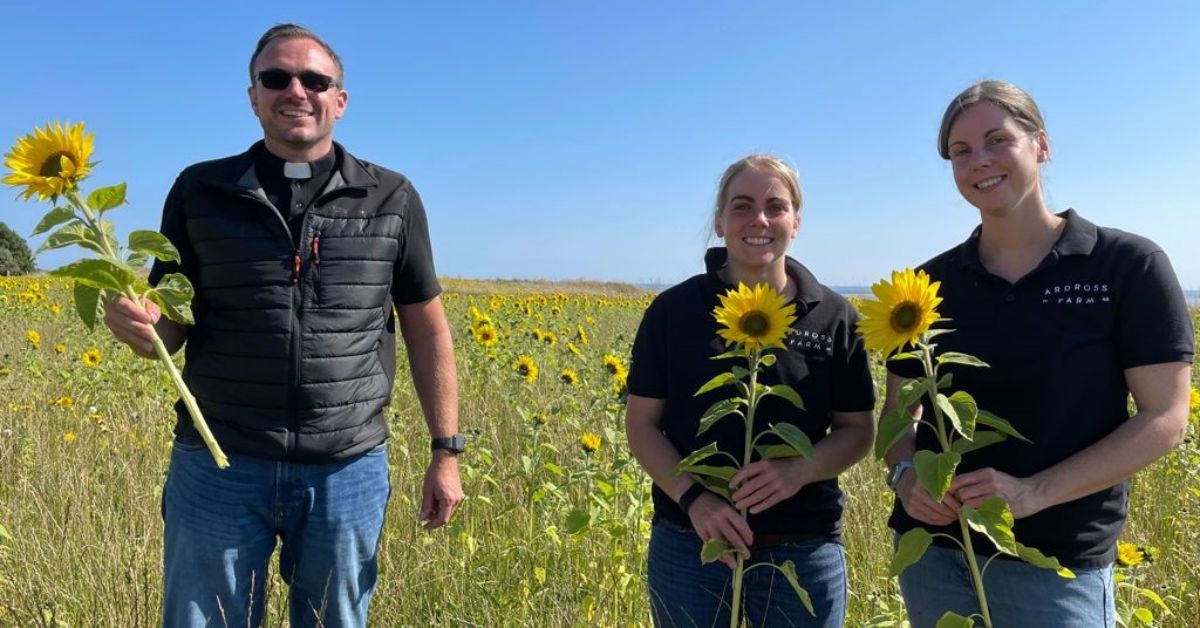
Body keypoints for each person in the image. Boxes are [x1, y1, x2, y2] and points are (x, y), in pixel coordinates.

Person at [103, 23, 464, 628]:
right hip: (219, 465)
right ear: (253, 96)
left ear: (339, 100)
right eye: (276, 78)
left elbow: (428, 330)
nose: (296, 90)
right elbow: (170, 329)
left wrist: (445, 451)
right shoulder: (200, 192)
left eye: (314, 79)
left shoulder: (392, 198)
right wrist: (138, 326)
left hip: (346, 466)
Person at [882, 80, 1194, 627]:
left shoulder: (1126, 266)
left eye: (997, 140)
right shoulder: (926, 286)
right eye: (961, 151)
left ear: (1041, 145)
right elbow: (897, 413)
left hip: (1056, 561)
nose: (979, 161)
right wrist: (906, 477)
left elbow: (1166, 418)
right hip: (933, 555)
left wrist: (1033, 493)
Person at [625, 155, 876, 626]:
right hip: (690, 542)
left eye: (775, 207)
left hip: (803, 545)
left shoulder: (834, 316)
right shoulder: (674, 311)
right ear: (720, 222)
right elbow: (641, 426)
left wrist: (797, 471)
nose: (759, 219)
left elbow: (858, 430)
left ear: (796, 223)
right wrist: (694, 499)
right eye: (742, 206)